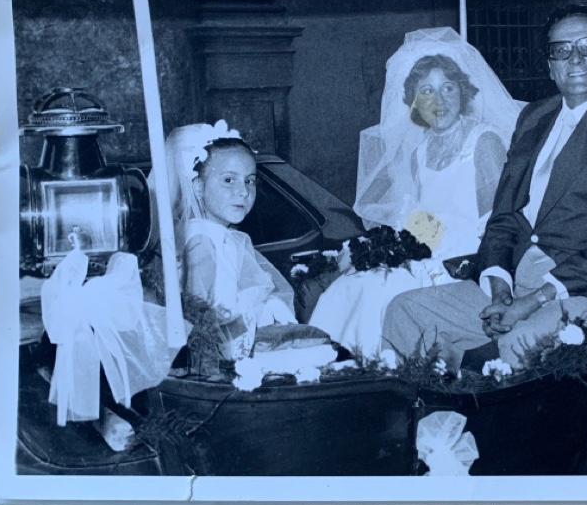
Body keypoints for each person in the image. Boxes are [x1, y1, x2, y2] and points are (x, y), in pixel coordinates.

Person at [382, 5, 587, 370]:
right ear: (550, 65)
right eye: (561, 50)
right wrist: (498, 280)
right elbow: (503, 216)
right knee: (406, 311)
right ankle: (436, 414)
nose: (575, 59)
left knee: (518, 343)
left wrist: (535, 299)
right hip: (519, 278)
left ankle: (481, 406)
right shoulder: (534, 116)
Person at [310, 28, 523, 358]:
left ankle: (380, 376)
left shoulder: (484, 143)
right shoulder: (419, 152)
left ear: (463, 92)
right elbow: (420, 221)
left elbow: (498, 223)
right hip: (425, 254)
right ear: (414, 102)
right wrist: (391, 248)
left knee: (378, 294)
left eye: (448, 88)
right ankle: (334, 371)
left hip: (463, 261)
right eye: (427, 91)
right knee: (346, 289)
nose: (439, 101)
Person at [162, 121, 296, 359]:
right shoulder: (200, 241)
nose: (244, 191)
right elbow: (196, 325)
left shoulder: (225, 237)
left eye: (249, 180)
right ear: (198, 188)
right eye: (228, 180)